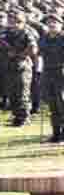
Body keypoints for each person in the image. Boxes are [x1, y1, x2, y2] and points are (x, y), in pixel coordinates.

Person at [40, 14, 64, 143]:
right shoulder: (44, 38)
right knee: (52, 104)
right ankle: (56, 133)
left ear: (60, 24)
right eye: (49, 23)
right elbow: (39, 54)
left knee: (62, 103)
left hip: (61, 72)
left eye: (54, 22)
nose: (51, 25)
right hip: (48, 72)